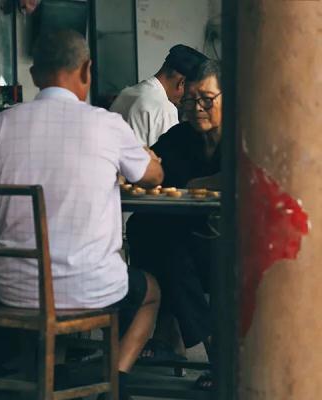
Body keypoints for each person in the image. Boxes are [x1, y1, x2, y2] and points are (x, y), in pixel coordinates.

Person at [0, 30, 163, 400]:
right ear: (87, 71)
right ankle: (114, 383)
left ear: (34, 74)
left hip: (13, 288)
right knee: (150, 291)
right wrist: (150, 159)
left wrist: (10, 250)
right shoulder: (107, 124)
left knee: (46, 292)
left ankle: (51, 375)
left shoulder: (0, 125)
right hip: (91, 288)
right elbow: (152, 176)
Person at [126, 59, 223, 390]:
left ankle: (203, 347)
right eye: (190, 100)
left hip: (226, 242)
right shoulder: (180, 137)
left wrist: (196, 181)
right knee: (146, 230)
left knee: (170, 248)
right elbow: (147, 165)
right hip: (183, 240)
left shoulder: (242, 139)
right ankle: (209, 350)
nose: (197, 108)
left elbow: (236, 178)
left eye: (206, 100)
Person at [110, 44, 208, 146]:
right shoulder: (164, 109)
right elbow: (168, 159)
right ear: (182, 83)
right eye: (191, 93)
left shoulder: (126, 93)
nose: (189, 99)